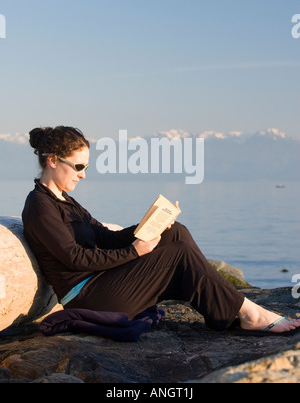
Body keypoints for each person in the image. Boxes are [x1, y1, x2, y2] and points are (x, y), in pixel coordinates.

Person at [22, 125, 300, 334]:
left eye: (86, 166)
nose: (83, 174)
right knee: (179, 254)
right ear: (54, 160)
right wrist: (134, 251)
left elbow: (105, 237)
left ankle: (225, 313)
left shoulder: (67, 201)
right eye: (79, 166)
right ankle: (250, 313)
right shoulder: (40, 206)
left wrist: (151, 223)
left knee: (174, 232)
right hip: (87, 295)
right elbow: (74, 258)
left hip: (101, 281)